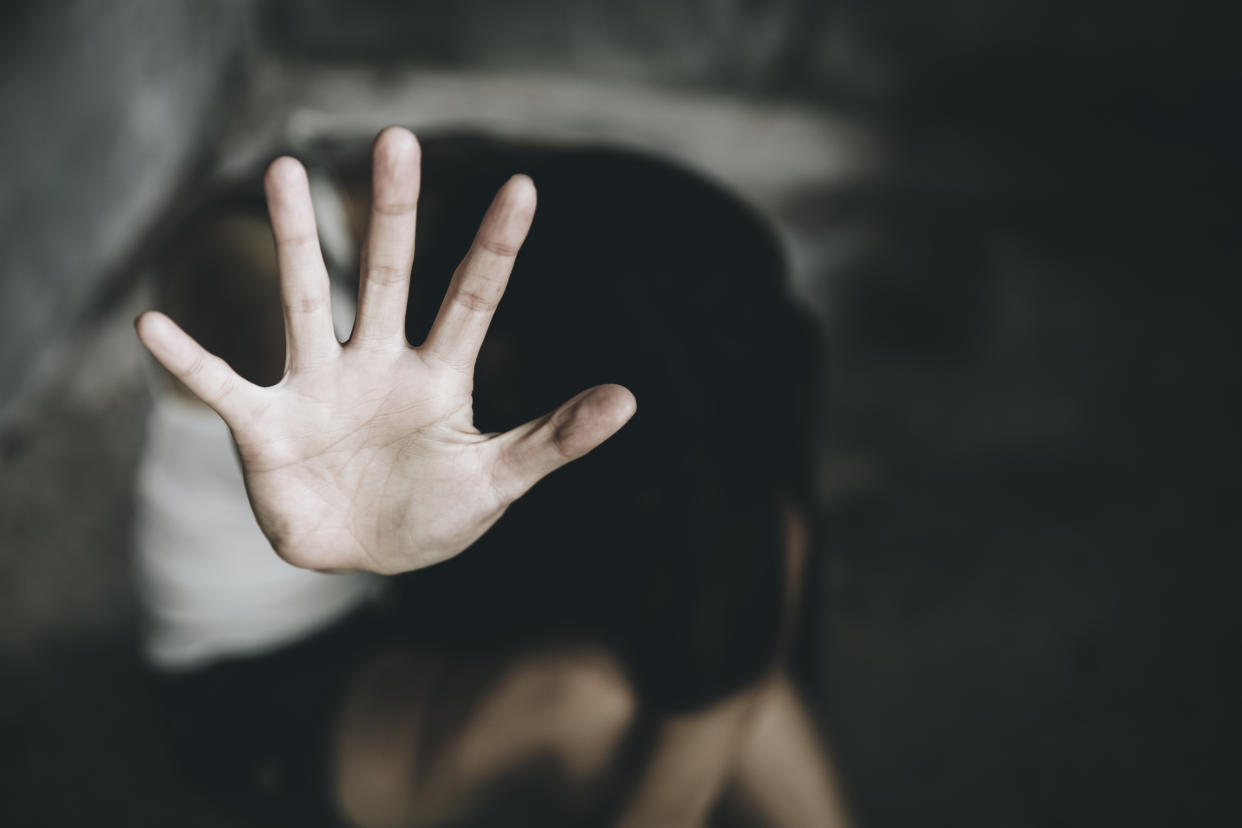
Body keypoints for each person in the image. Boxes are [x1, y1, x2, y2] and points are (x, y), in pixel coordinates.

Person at [135, 126, 852, 827]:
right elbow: (241, 302)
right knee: (594, 702)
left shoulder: (508, 204)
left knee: (738, 554)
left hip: (416, 590)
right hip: (268, 665)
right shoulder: (244, 262)